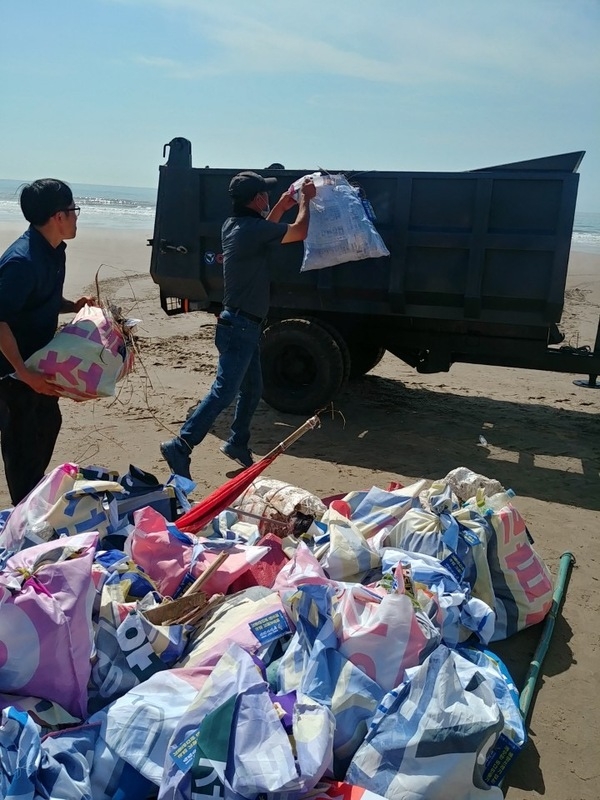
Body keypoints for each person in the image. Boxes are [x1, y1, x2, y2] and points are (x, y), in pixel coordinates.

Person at [160, 171, 316, 480]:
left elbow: (266, 230)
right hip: (240, 326)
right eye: (266, 194)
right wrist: (305, 202)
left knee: (252, 388)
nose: (269, 198)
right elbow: (300, 232)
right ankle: (181, 444)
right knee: (224, 391)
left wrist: (283, 206)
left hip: (243, 324)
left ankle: (237, 442)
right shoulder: (249, 229)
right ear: (257, 199)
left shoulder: (234, 225)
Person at [0, 179, 96, 506]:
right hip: (13, 374)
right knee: (24, 453)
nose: (76, 217)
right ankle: (21, 527)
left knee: (47, 426)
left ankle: (28, 512)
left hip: (41, 366)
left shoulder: (54, 252)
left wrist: (73, 305)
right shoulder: (22, 262)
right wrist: (24, 374)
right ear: (58, 216)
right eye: (74, 211)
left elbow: (40, 299)